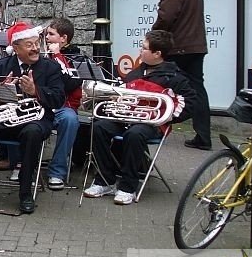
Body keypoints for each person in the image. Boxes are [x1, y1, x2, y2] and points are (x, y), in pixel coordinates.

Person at [83, 30, 195, 206]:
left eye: (144, 48)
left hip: (152, 124)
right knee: (99, 128)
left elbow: (189, 103)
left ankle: (128, 187)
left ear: (157, 53)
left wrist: (166, 116)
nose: (140, 51)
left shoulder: (175, 78)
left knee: (134, 135)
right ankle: (105, 181)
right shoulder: (136, 72)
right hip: (127, 118)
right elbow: (121, 93)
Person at [0, 22, 65, 214]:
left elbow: (59, 99)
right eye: (29, 45)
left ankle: (25, 191)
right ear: (16, 48)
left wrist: (35, 91)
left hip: (36, 119)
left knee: (32, 133)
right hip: (6, 117)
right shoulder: (1, 65)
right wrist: (0, 91)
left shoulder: (50, 67)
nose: (36, 48)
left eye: (37, 43)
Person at [153, 0, 211, 150]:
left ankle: (155, 126)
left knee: (161, 84)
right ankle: (203, 135)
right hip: (196, 46)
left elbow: (165, 18)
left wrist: (152, 38)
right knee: (197, 89)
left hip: (180, 47)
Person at [43, 17, 83, 190]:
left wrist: (57, 56)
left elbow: (70, 84)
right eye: (46, 34)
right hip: (41, 104)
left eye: (51, 34)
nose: (46, 38)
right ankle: (21, 166)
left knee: (70, 120)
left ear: (63, 38)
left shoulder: (77, 58)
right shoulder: (41, 54)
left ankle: (57, 171)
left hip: (62, 107)